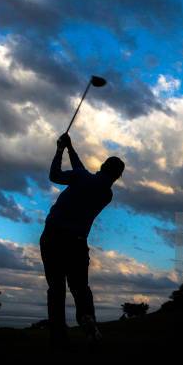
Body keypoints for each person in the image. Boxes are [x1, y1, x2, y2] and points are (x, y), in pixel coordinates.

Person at [40, 132, 124, 348]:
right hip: (77, 243)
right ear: (116, 177)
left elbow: (55, 175)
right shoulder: (106, 194)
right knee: (80, 288)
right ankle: (87, 318)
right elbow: (82, 172)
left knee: (56, 289)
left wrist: (60, 149)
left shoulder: (82, 178)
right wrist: (70, 148)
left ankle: (58, 336)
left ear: (102, 166)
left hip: (53, 238)